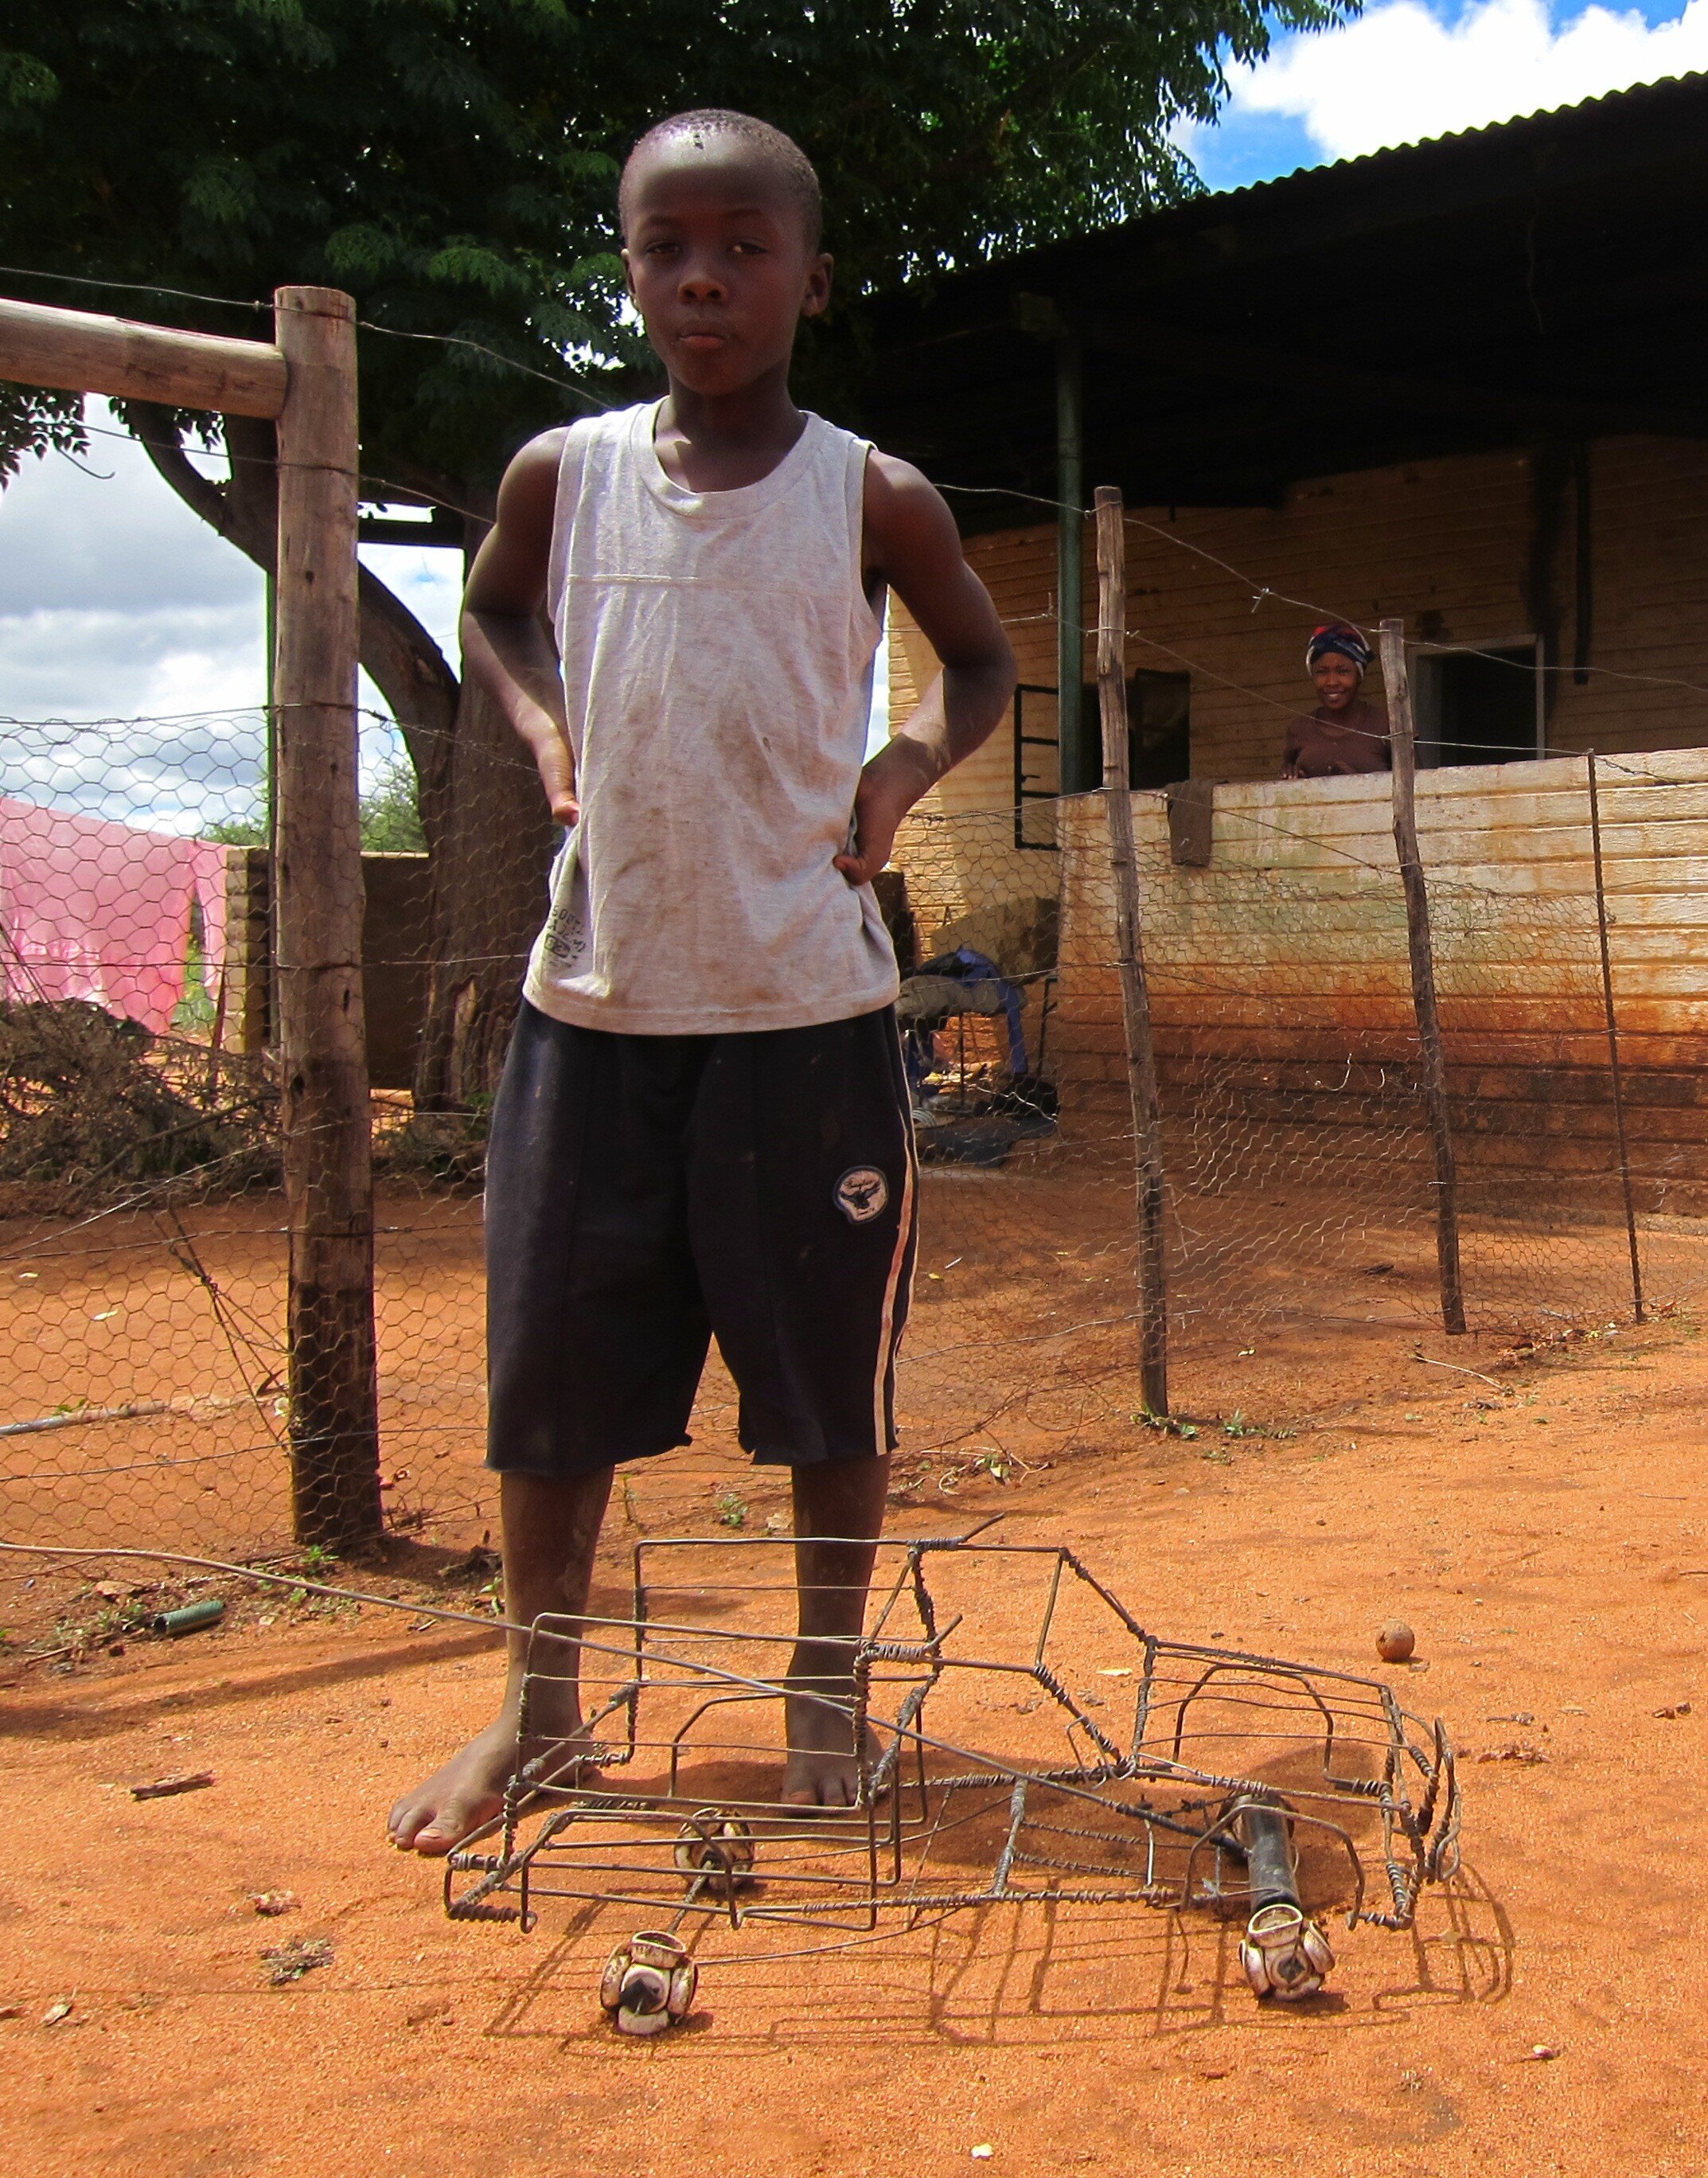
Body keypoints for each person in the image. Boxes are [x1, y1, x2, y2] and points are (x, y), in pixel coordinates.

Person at [388, 108, 1020, 1855]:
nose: (705, 279)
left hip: (805, 1013)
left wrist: (898, 775)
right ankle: (539, 1711)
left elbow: (978, 663)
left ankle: (826, 1679)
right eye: (670, 247)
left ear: (810, 277)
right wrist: (539, 726)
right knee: (547, 1381)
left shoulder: (869, 492)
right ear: (631, 270)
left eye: (744, 247)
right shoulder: (561, 477)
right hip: (592, 1008)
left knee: (829, 1378)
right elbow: (499, 613)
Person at [1279, 623, 1395, 778]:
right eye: (1322, 672)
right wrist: (1291, 777)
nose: (1332, 682)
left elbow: (1415, 789)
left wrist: (1355, 783)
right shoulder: (1299, 729)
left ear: (1359, 675)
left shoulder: (1387, 726)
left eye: (1343, 671)